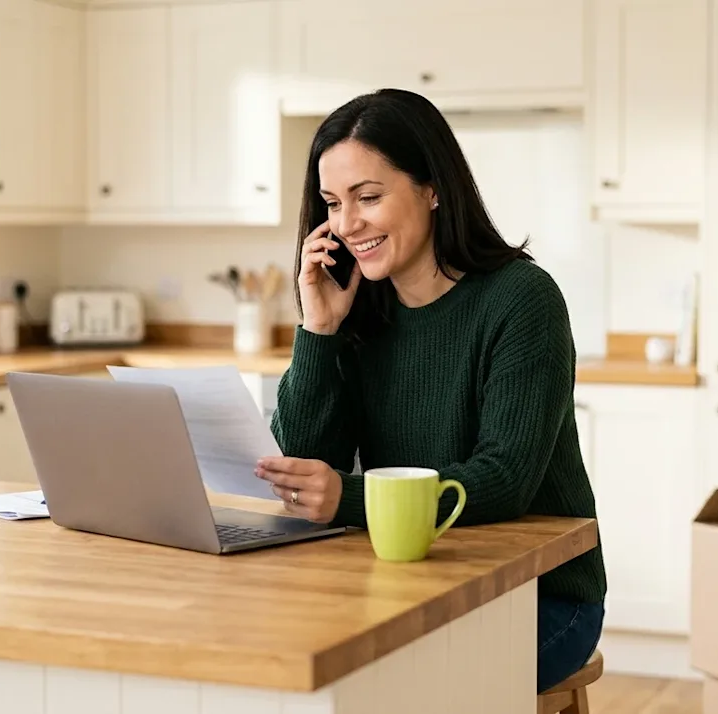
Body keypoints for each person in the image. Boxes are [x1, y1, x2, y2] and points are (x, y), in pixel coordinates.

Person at [252, 88, 606, 694]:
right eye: (333, 204)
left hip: (538, 594)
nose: (347, 224)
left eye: (369, 197)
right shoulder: (356, 308)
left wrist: (349, 498)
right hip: (402, 583)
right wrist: (319, 329)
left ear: (432, 187)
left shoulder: (522, 301)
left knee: (401, 693)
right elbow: (308, 465)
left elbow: (504, 478)